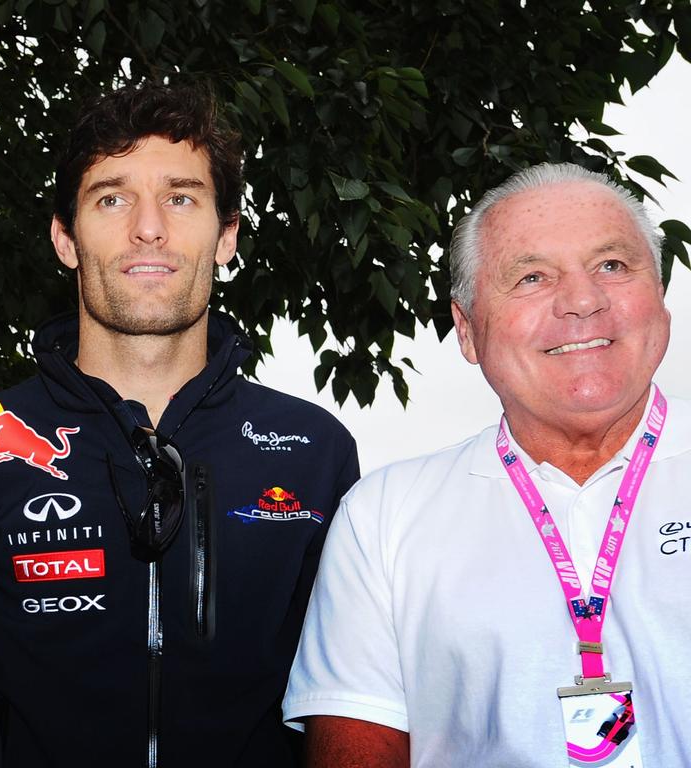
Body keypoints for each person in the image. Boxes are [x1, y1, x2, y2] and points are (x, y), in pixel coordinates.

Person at [0, 81, 360, 767]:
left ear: (227, 235)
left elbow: (348, 705)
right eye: (112, 198)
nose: (148, 227)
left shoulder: (314, 452)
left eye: (181, 197)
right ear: (65, 238)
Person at [283, 162, 691, 767]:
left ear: (658, 301)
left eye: (612, 266)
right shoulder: (384, 516)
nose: (583, 301)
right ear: (468, 331)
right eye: (531, 276)